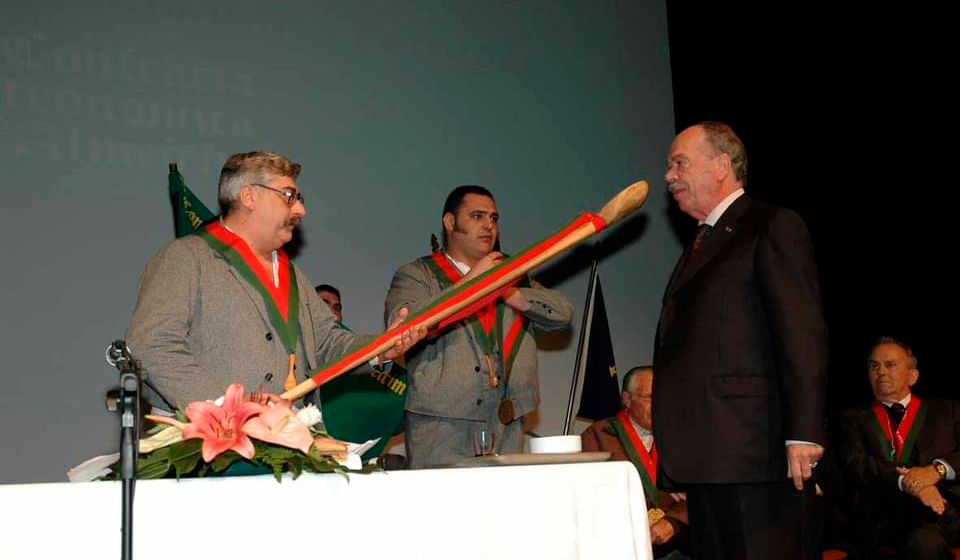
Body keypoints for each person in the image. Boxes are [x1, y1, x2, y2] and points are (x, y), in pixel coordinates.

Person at [652, 122, 829, 560]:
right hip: (710, 455)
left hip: (757, 452)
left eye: (679, 163)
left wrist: (803, 432)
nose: (669, 176)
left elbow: (802, 332)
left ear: (721, 165)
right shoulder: (701, 241)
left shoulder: (772, 225)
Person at [127, 151, 422, 410]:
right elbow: (152, 345)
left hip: (291, 444)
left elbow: (328, 343)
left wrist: (381, 348)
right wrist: (225, 410)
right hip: (214, 451)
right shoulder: (185, 257)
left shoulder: (293, 275)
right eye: (289, 196)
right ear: (249, 196)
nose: (300, 210)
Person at [385, 185, 573, 468]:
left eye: (494, 218)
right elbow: (407, 322)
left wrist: (513, 294)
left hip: (506, 419)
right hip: (442, 422)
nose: (488, 225)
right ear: (450, 222)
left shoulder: (512, 275)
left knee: (503, 510)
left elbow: (563, 313)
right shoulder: (416, 274)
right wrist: (475, 281)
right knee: (442, 508)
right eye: (477, 216)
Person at [838, 337, 960, 559]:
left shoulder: (948, 411)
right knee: (924, 543)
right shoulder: (853, 418)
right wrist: (908, 483)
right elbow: (856, 465)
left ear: (913, 375)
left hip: (944, 511)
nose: (881, 372)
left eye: (890, 364)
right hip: (886, 515)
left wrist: (936, 470)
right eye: (874, 366)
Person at [581, 366, 691, 559]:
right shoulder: (597, 435)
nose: (659, 405)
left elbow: (699, 489)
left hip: (677, 540)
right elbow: (588, 497)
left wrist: (673, 522)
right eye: (650, 397)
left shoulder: (678, 435)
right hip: (622, 544)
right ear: (627, 399)